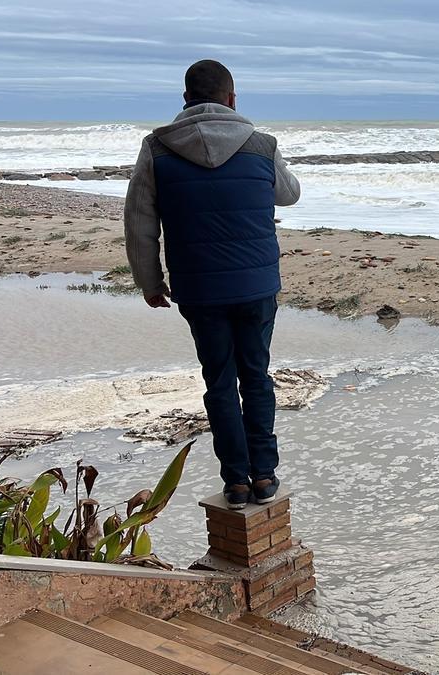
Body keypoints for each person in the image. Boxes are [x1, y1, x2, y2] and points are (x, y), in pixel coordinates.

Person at [124, 59, 301, 509]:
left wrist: (150, 281)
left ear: (185, 100)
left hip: (198, 289)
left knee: (219, 380)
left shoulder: (157, 149)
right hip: (257, 283)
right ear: (232, 98)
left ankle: (236, 484)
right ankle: (265, 476)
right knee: (256, 376)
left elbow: (140, 223)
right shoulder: (261, 145)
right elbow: (289, 193)